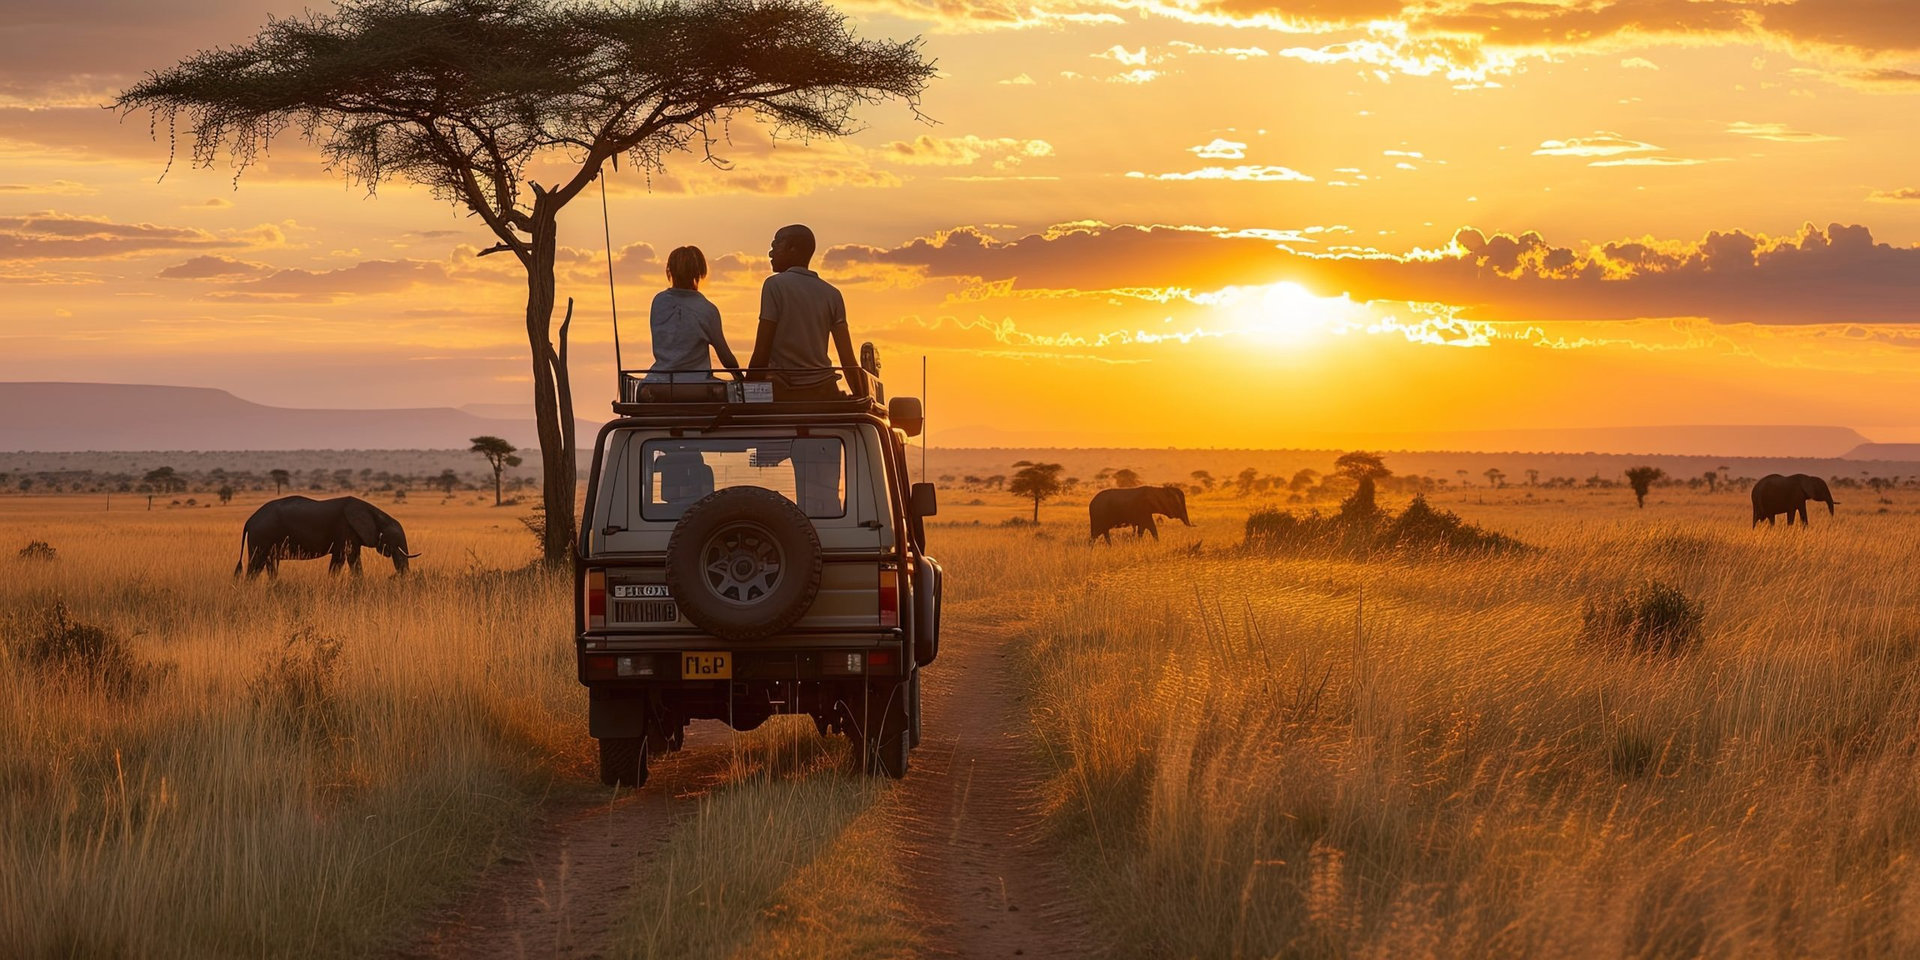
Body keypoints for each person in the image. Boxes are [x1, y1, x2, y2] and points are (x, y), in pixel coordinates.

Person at [746, 224, 866, 400]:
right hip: (824, 392)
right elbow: (848, 359)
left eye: (775, 245)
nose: (770, 253)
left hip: (783, 392)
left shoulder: (774, 285)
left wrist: (747, 394)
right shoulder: (832, 294)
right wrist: (861, 397)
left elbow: (762, 350)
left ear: (792, 248)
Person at [639, 245, 740, 402]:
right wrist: (740, 377)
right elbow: (726, 357)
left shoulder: (659, 301)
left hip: (656, 383)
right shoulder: (707, 309)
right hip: (695, 386)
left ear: (669, 271)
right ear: (699, 273)